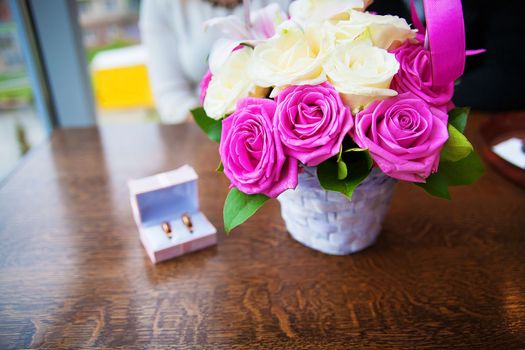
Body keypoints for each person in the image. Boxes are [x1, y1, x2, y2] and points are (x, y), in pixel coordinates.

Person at [140, 0, 290, 124]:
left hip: (287, 113)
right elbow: (170, 97)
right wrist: (226, 126)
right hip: (212, 130)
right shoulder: (160, 4)